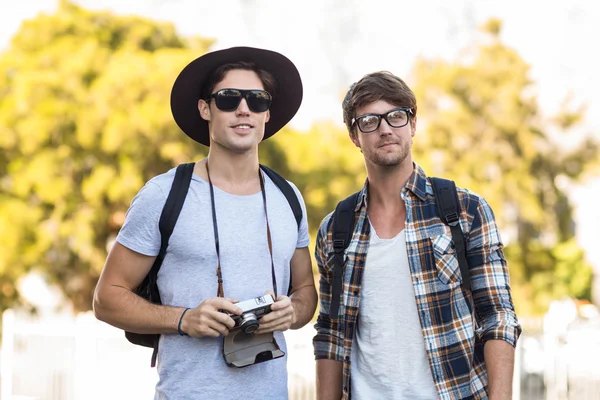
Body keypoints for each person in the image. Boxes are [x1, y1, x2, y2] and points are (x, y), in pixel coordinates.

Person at [93, 46, 317, 400]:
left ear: (267, 113)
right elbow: (106, 299)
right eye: (228, 98)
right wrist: (184, 320)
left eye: (257, 100)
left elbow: (306, 293)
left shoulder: (288, 196)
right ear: (205, 108)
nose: (244, 109)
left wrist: (292, 312)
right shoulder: (164, 194)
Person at [313, 71, 521, 400]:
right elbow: (330, 333)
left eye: (396, 116)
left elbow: (497, 315)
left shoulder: (465, 210)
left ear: (412, 124)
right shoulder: (335, 230)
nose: (384, 129)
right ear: (354, 135)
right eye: (369, 120)